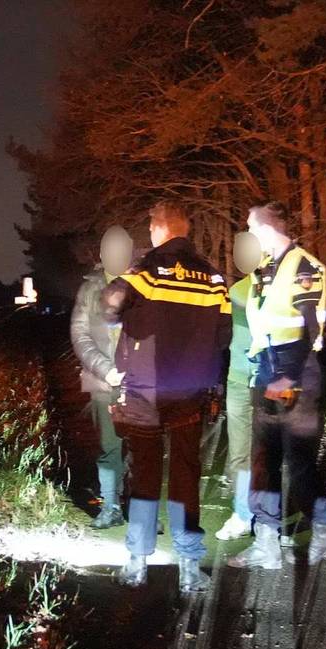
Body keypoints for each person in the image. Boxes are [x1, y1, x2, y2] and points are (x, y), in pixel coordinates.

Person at [102, 200, 231, 592]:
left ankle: (137, 563)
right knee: (186, 473)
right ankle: (189, 567)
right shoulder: (213, 278)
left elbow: (109, 308)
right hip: (191, 391)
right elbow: (224, 337)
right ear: (186, 231)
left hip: (145, 389)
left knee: (145, 473)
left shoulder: (143, 271)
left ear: (158, 230)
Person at [228, 201, 326, 570]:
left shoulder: (305, 268)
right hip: (267, 370)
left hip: (294, 373)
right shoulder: (266, 270)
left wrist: (288, 376)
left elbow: (309, 328)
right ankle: (267, 545)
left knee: (299, 463)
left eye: (249, 227)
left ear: (263, 229)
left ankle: (325, 534)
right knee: (265, 461)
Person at [71, 225, 134, 529]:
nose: (116, 255)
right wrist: (104, 368)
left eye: (122, 249)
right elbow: (80, 334)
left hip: (139, 383)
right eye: (110, 249)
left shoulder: (142, 285)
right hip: (102, 380)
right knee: (110, 445)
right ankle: (111, 507)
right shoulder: (90, 289)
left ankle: (139, 510)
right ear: (101, 253)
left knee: (140, 447)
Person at [215, 231, 264, 540]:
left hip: (266, 383)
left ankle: (266, 517)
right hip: (237, 380)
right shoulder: (234, 290)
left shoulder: (278, 290)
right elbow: (224, 337)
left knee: (265, 452)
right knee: (239, 452)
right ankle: (243, 513)